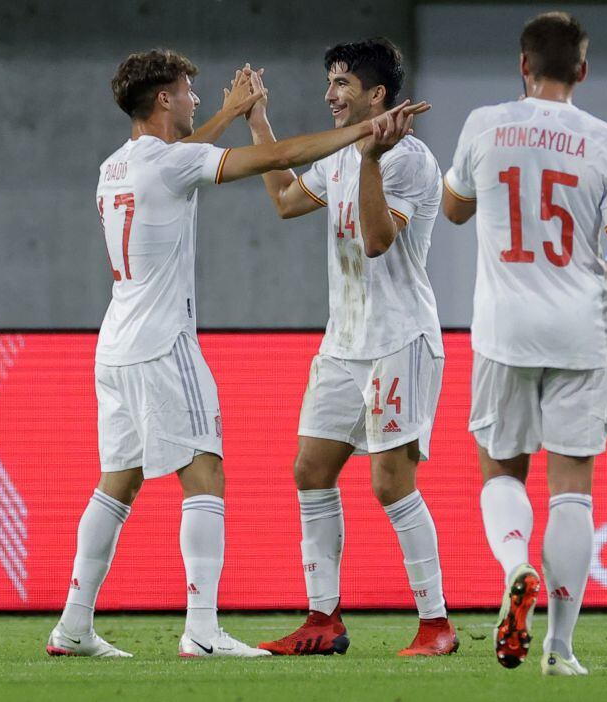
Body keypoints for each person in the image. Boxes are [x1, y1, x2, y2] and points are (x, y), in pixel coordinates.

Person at [47, 49, 427, 659]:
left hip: (115, 346)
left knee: (116, 484)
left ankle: (72, 624)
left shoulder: (115, 166)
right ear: (165, 99)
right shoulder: (174, 165)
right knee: (205, 475)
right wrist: (362, 132)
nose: (196, 98)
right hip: (165, 344)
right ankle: (201, 628)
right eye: (189, 91)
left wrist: (230, 112)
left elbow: (184, 156)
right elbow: (274, 160)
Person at [442, 12, 607, 676]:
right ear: (582, 71)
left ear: (522, 66)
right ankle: (560, 648)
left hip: (503, 328)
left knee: (502, 471)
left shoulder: (483, 124)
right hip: (581, 329)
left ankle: (516, 567)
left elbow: (454, 209)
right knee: (572, 491)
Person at [245, 39, 456, 657]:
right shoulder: (337, 154)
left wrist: (370, 159)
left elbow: (377, 242)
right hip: (343, 342)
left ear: (376, 96)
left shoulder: (411, 160)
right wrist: (260, 120)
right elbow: (286, 202)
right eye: (329, 82)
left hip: (400, 340)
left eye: (341, 82)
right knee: (310, 470)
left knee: (391, 484)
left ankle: (436, 623)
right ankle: (323, 618)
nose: (330, 93)